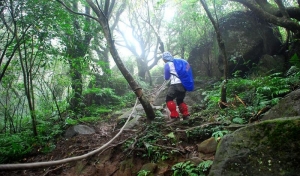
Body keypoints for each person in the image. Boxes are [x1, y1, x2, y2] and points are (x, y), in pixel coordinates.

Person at [162, 51, 191, 123]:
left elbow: (166, 77)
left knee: (169, 99)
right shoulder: (178, 63)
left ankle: (175, 116)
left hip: (175, 84)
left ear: (164, 59)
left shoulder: (167, 64)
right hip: (183, 84)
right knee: (180, 100)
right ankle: (186, 115)